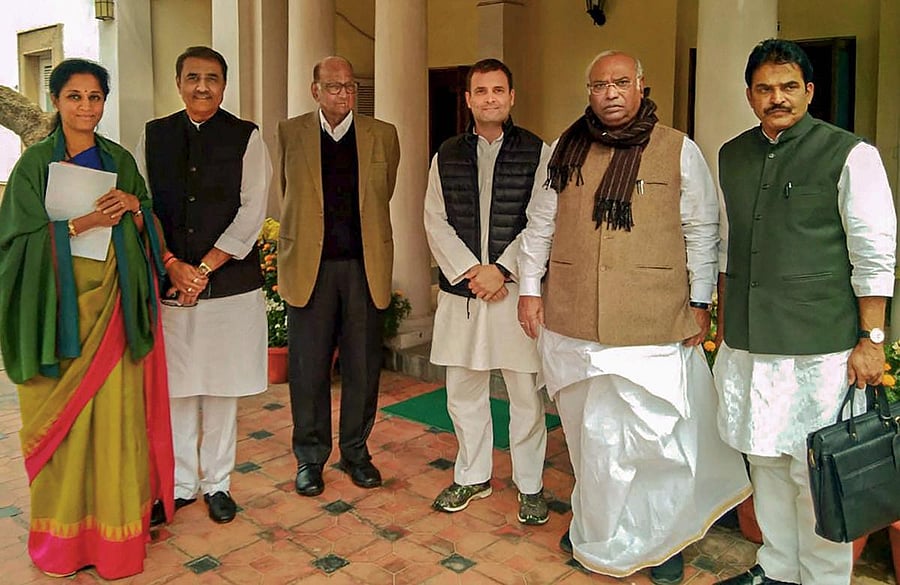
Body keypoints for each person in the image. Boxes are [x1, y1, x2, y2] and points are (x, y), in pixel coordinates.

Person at [517, 50, 751, 582]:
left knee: (655, 440)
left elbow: (702, 231)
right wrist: (530, 289)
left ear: (641, 85)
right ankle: (596, 530)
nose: (612, 93)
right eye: (600, 85)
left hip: (652, 321)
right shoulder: (562, 149)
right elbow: (539, 226)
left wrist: (699, 302)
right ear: (589, 91)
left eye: (622, 82)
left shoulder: (678, 149)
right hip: (574, 319)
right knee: (589, 437)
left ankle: (661, 540)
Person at [714, 39, 896, 585]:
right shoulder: (732, 155)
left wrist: (874, 337)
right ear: (749, 95)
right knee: (764, 460)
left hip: (824, 347)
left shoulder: (850, 153)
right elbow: (728, 245)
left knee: (816, 469)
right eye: (765, 88)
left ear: (809, 91)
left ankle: (821, 579)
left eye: (789, 86)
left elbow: (874, 249)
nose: (777, 98)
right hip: (750, 341)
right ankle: (775, 569)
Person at [0, 58, 174, 579]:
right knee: (67, 432)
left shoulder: (119, 159)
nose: (86, 107)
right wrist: (82, 223)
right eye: (74, 96)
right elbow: (14, 247)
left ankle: (116, 541)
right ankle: (64, 543)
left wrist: (134, 209)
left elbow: (146, 219)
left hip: (114, 311)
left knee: (116, 427)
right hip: (58, 316)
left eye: (95, 97)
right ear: (56, 101)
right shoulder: (34, 167)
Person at [136, 46, 271, 525]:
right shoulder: (153, 136)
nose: (202, 86)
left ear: (224, 84)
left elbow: (252, 210)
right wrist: (172, 264)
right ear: (178, 82)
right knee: (176, 390)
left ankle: (217, 484)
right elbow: (143, 207)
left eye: (212, 78)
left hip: (229, 287)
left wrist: (204, 269)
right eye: (192, 77)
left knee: (219, 389)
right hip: (171, 286)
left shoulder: (246, 137)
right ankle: (179, 485)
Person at [424, 58, 550, 524]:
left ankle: (530, 485)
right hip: (464, 293)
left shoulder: (538, 152)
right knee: (463, 390)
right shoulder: (447, 153)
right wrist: (470, 271)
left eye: (499, 90)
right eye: (481, 91)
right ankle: (472, 475)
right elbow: (434, 219)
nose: (490, 98)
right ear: (469, 99)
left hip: (515, 292)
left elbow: (541, 221)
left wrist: (501, 269)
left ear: (511, 97)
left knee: (524, 394)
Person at [276, 56, 400, 496]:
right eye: (333, 87)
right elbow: (287, 192)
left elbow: (382, 194)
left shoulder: (382, 135)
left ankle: (355, 452)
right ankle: (310, 459)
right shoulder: (290, 133)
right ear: (315, 90)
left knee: (363, 367)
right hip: (310, 269)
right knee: (308, 369)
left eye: (349, 87)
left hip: (364, 268)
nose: (342, 95)